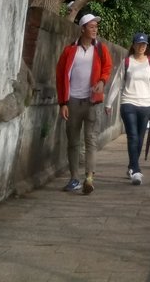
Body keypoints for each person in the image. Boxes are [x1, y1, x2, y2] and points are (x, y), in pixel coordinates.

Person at [55, 12, 113, 195]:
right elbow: (60, 76)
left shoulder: (101, 49)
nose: (95, 29)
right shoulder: (70, 50)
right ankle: (74, 178)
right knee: (73, 142)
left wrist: (102, 82)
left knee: (91, 140)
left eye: (96, 27)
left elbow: (107, 67)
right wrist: (62, 102)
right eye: (91, 26)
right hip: (72, 101)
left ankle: (89, 177)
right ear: (82, 29)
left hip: (92, 102)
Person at [105, 32, 150, 186]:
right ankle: (136, 170)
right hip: (129, 103)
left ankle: (132, 166)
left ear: (147, 46)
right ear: (133, 45)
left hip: (146, 105)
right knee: (132, 136)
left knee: (140, 138)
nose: (141, 47)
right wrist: (109, 102)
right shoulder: (127, 62)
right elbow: (117, 83)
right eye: (139, 44)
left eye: (144, 44)